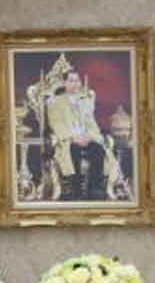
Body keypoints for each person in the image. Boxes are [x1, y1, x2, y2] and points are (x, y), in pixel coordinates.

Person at [46, 68, 108, 200]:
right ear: (64, 83)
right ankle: (76, 189)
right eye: (71, 80)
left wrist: (90, 136)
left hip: (85, 137)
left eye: (77, 80)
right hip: (69, 140)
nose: (75, 84)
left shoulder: (84, 101)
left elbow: (91, 123)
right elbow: (56, 123)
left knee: (98, 149)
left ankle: (93, 188)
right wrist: (73, 137)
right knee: (73, 151)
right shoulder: (55, 102)